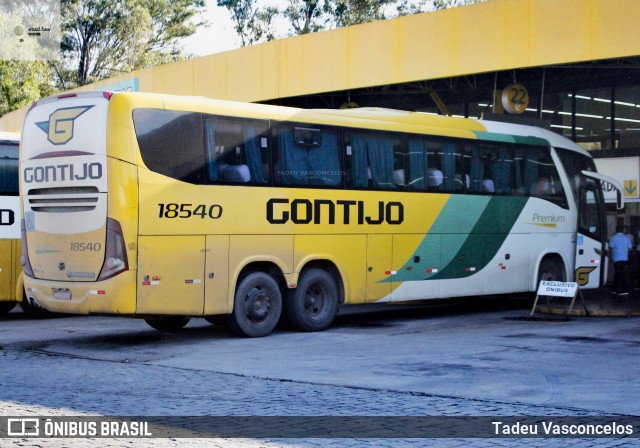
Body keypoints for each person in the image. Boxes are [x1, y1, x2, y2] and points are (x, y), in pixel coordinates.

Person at [609, 225, 633, 296]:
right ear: (623, 230)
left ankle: (624, 289)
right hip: (624, 258)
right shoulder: (626, 238)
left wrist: (611, 257)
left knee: (619, 274)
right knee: (618, 274)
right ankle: (614, 288)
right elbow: (630, 248)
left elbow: (611, 248)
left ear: (616, 230)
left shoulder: (613, 238)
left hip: (617, 258)